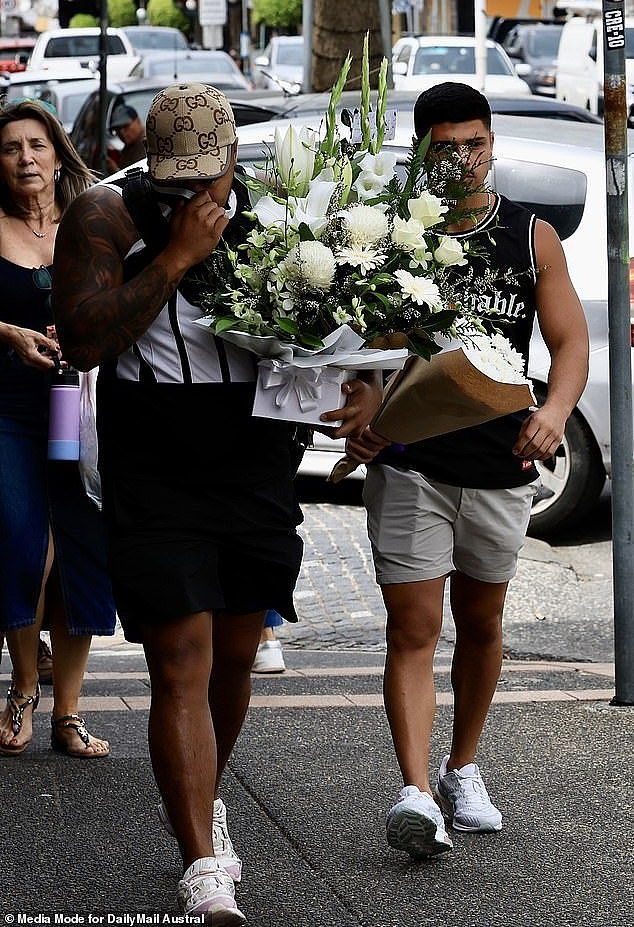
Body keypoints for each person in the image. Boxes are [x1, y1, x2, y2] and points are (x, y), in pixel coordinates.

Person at [52, 82, 381, 922]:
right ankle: (202, 861)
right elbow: (82, 338)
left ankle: (204, 798)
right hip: (153, 460)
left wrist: (364, 389)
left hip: (254, 459)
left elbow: (340, 326)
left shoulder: (279, 210)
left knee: (236, 654)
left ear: (235, 158)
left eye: (209, 177)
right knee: (180, 662)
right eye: (177, 180)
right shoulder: (103, 215)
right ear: (145, 159)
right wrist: (173, 259)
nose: (194, 193)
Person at [346, 82, 589, 860]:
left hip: (503, 462)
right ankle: (415, 790)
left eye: (475, 143)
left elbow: (571, 342)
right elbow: (359, 341)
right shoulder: (393, 236)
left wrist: (554, 409)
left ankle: (462, 768)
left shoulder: (530, 237)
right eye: (445, 147)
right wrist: (364, 398)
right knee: (413, 629)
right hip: (412, 462)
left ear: (493, 143)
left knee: (483, 624)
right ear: (422, 152)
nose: (462, 158)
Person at [0, 98, 116, 758]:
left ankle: (69, 712)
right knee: (22, 536)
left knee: (80, 548)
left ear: (56, 151)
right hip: (9, 407)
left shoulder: (89, 220)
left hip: (75, 405)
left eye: (36, 145)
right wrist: (8, 332)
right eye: (12, 147)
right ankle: (23, 684)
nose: (25, 158)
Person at [107, 103, 146, 173]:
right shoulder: (129, 146)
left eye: (125, 126)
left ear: (138, 121)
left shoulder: (148, 143)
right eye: (117, 129)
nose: (121, 133)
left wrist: (116, 171)